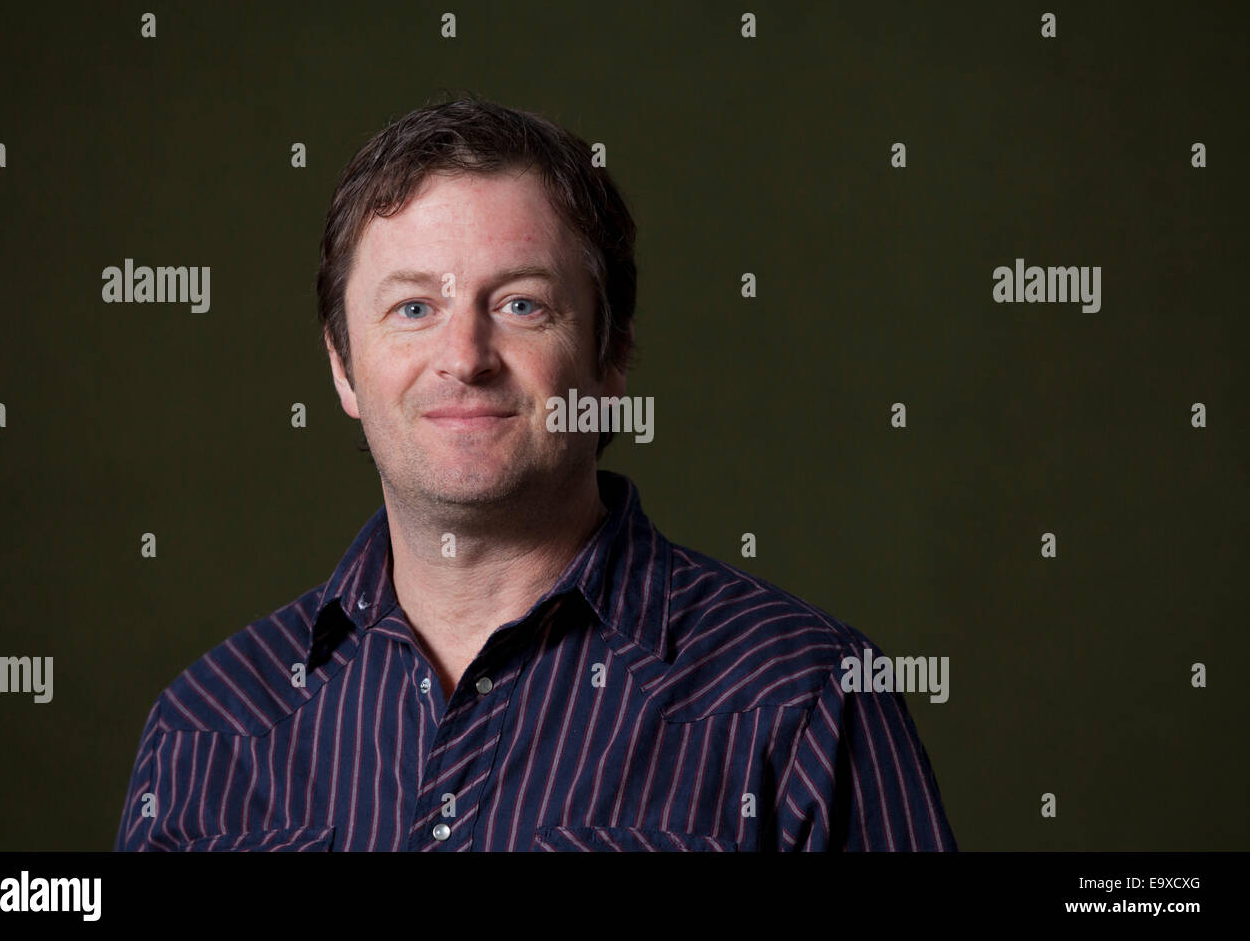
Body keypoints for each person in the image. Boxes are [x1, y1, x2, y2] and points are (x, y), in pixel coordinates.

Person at [114, 95, 957, 852]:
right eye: (414, 309)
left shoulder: (801, 700)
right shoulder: (207, 728)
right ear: (342, 366)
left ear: (610, 356)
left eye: (521, 304)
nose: (464, 358)